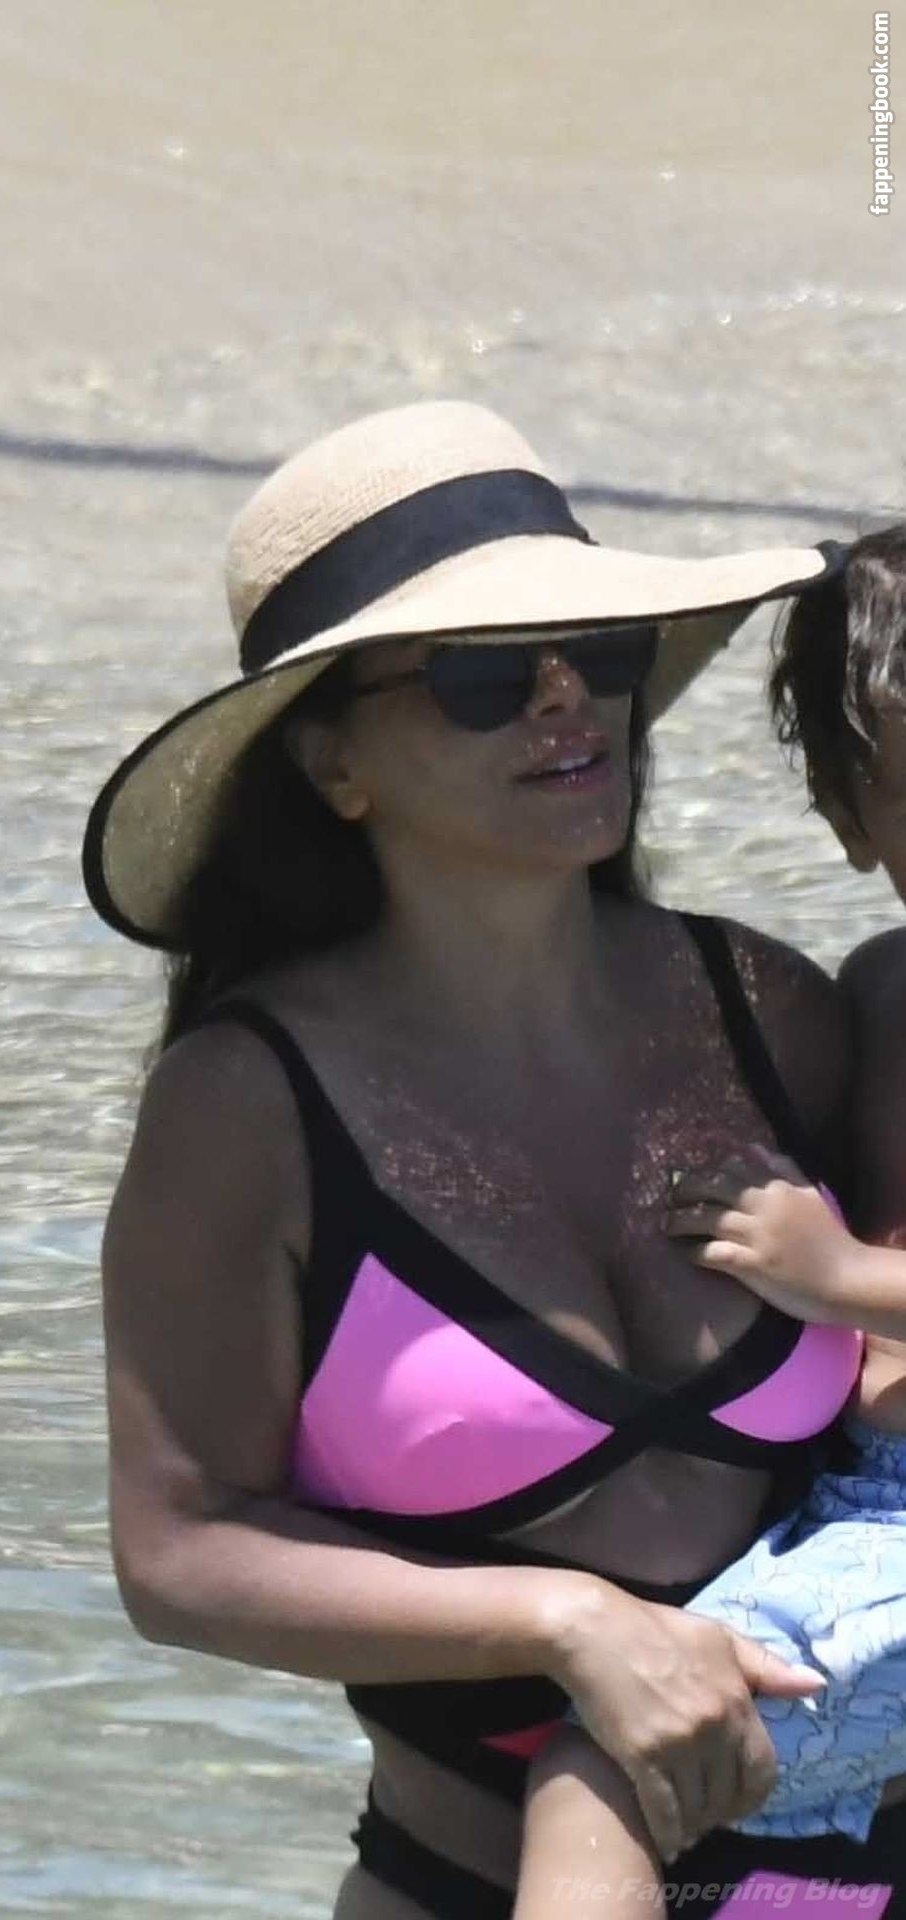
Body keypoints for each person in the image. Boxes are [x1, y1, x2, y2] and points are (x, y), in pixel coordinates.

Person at [82, 400, 904, 1918]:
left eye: (594, 652)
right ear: (332, 761)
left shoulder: (772, 1016)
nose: (563, 698)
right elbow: (177, 1554)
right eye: (480, 675)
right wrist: (565, 1621)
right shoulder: (247, 1110)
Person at [512, 525, 906, 1920]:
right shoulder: (877, 996)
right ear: (852, 823)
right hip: (853, 1512)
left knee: (607, 1767)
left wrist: (838, 1274)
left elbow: (840, 1263)